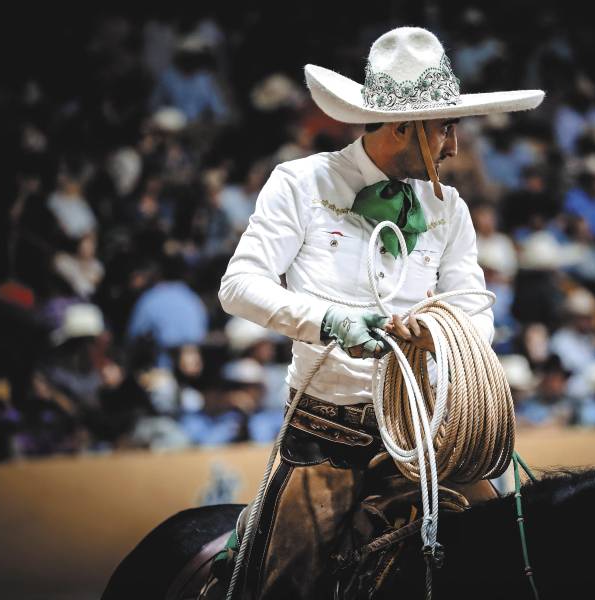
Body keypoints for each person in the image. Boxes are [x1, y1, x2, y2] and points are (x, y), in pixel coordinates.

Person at [209, 27, 542, 600]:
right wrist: (330, 321)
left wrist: (442, 338)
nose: (454, 146)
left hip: (426, 435)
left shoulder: (450, 207)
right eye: (445, 127)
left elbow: (473, 310)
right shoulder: (301, 183)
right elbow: (238, 286)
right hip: (324, 436)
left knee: (510, 559)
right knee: (286, 584)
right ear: (402, 127)